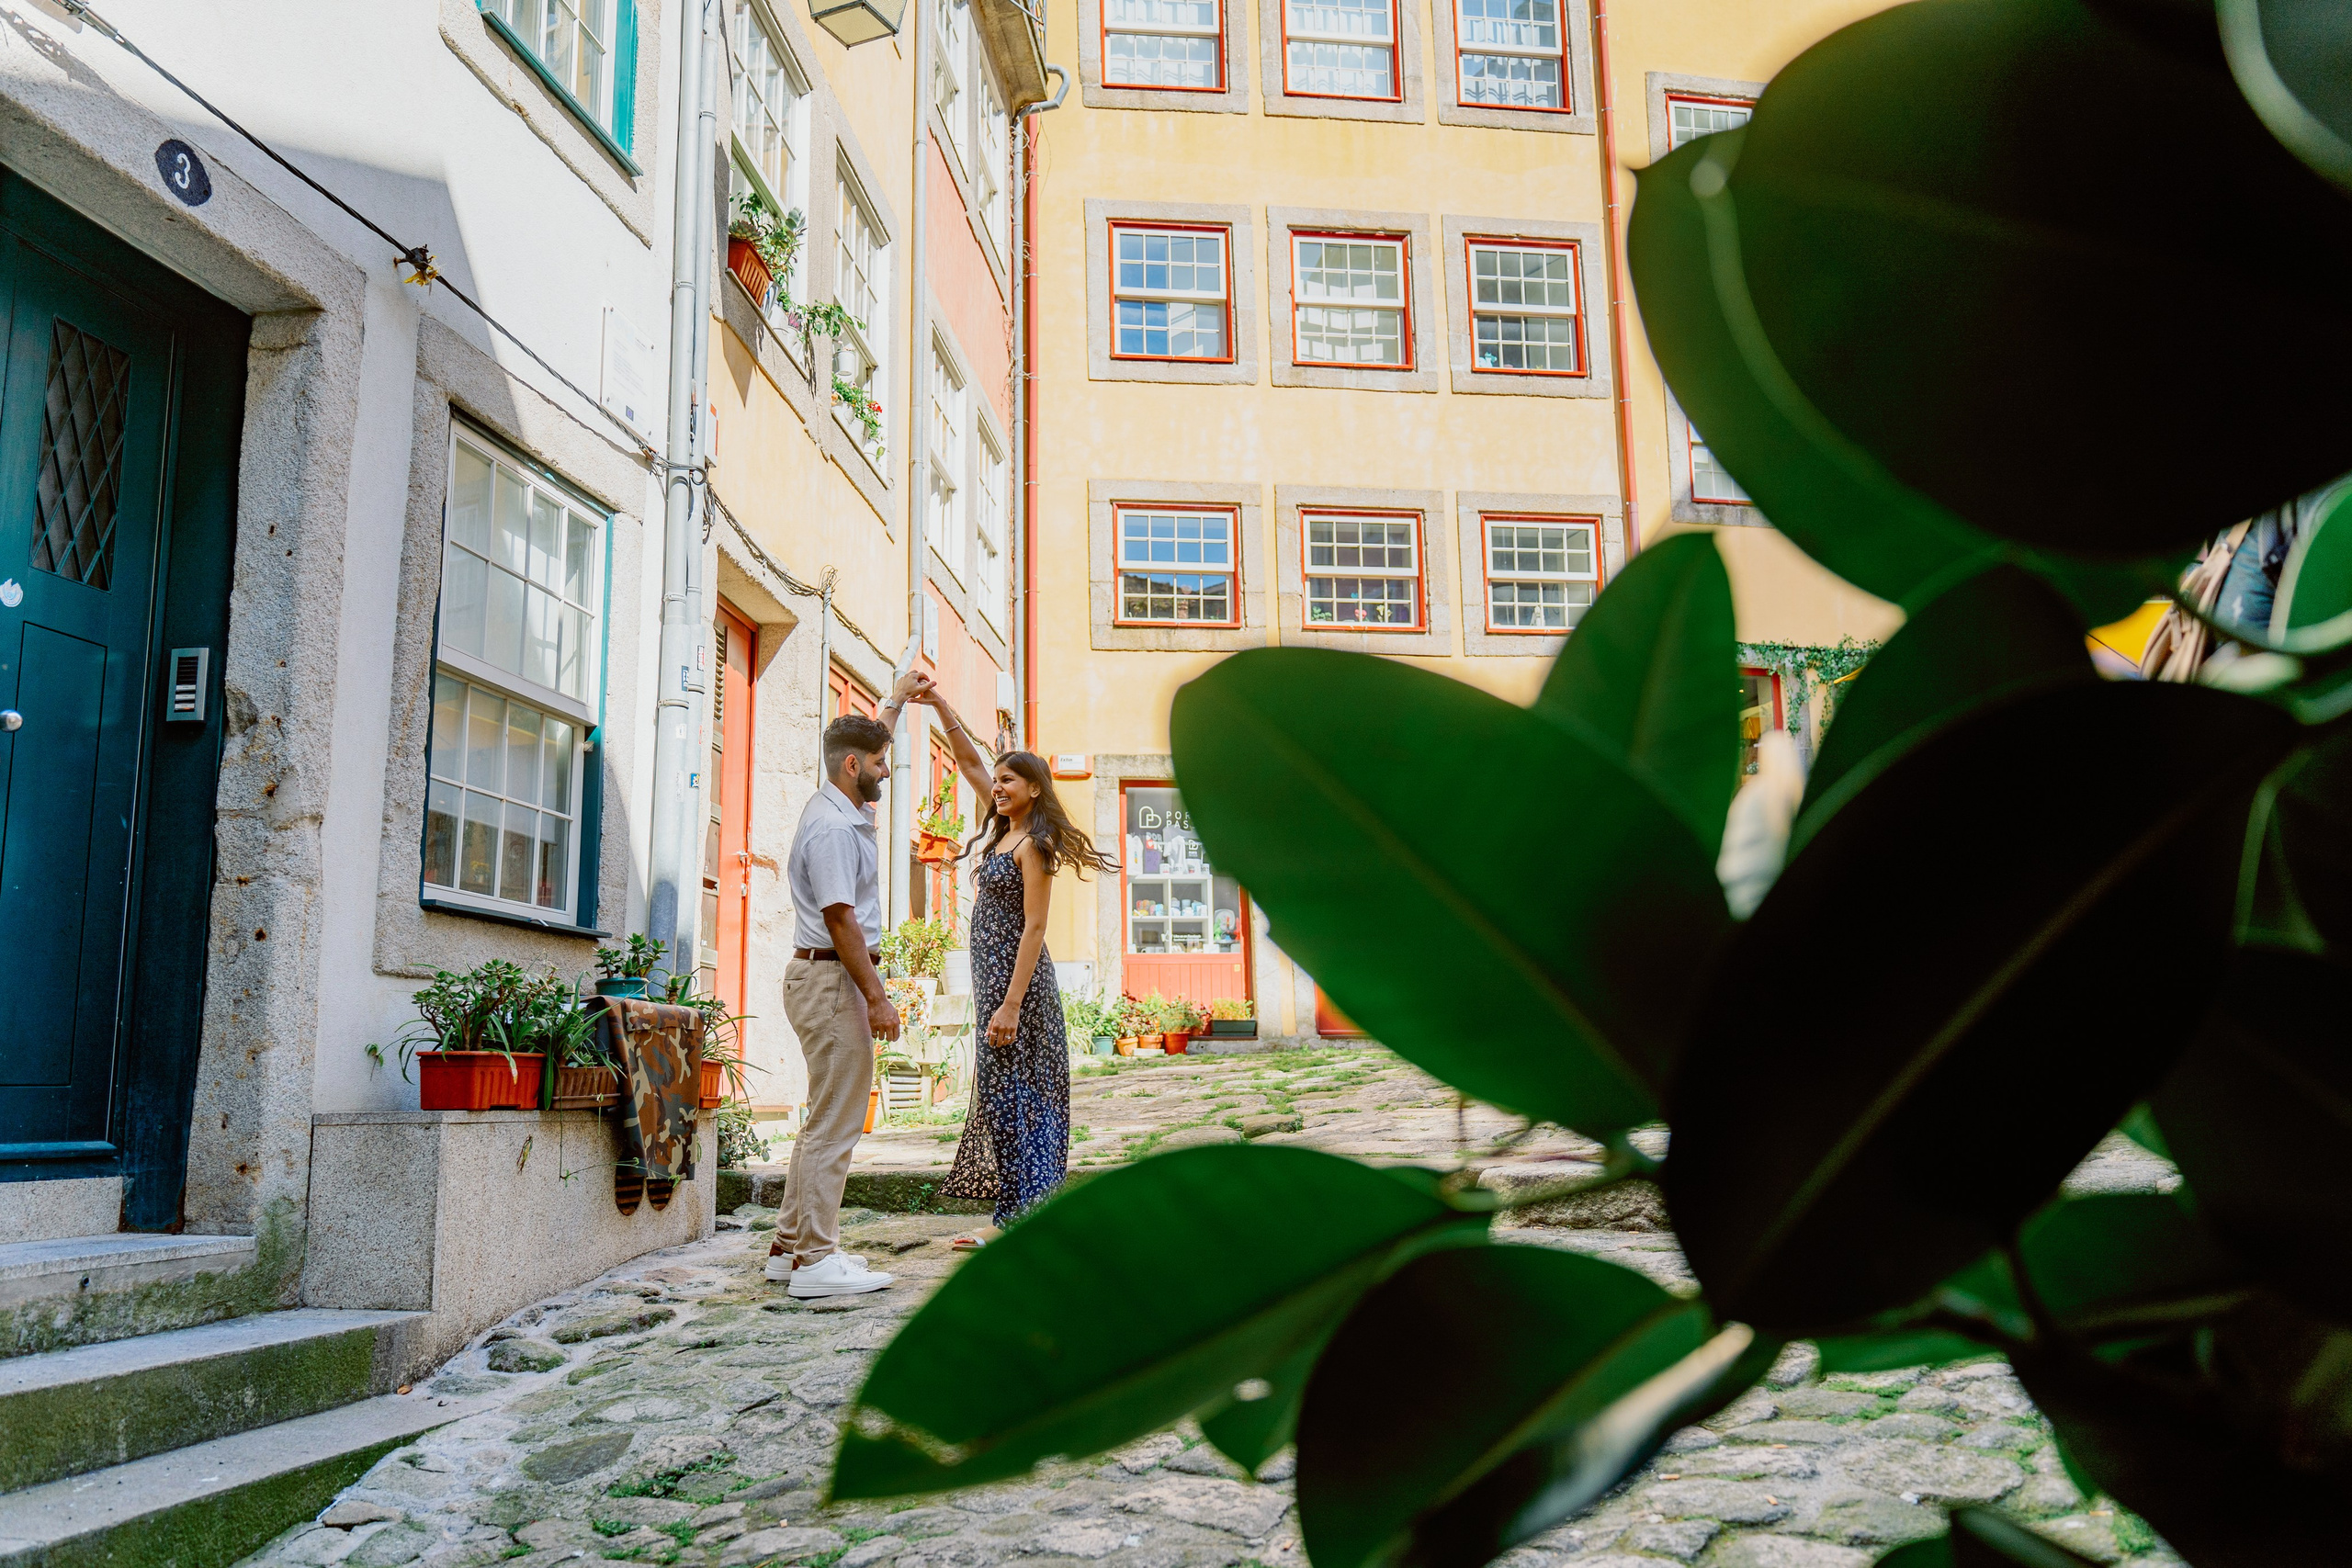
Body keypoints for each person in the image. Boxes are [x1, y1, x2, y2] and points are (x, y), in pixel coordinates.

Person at [922, 693, 1118, 1247]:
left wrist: (1010, 1005)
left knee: (1022, 1097)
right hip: (992, 984)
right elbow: (968, 762)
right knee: (1002, 1093)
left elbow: (1035, 928)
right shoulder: (1003, 827)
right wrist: (938, 703)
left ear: (1035, 789)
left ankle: (1017, 1219)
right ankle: (1022, 1213)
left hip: (1020, 990)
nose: (1000, 786)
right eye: (999, 779)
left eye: (1012, 780)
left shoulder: (1035, 843)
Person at [766, 671, 932, 1297]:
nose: (887, 772)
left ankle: (789, 1246)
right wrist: (878, 996)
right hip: (833, 980)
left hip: (822, 978)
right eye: (881, 764)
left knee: (822, 1119)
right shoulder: (835, 828)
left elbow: (870, 741)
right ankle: (815, 1261)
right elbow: (841, 919)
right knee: (835, 1125)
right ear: (853, 766)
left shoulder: (835, 799)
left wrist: (894, 699)